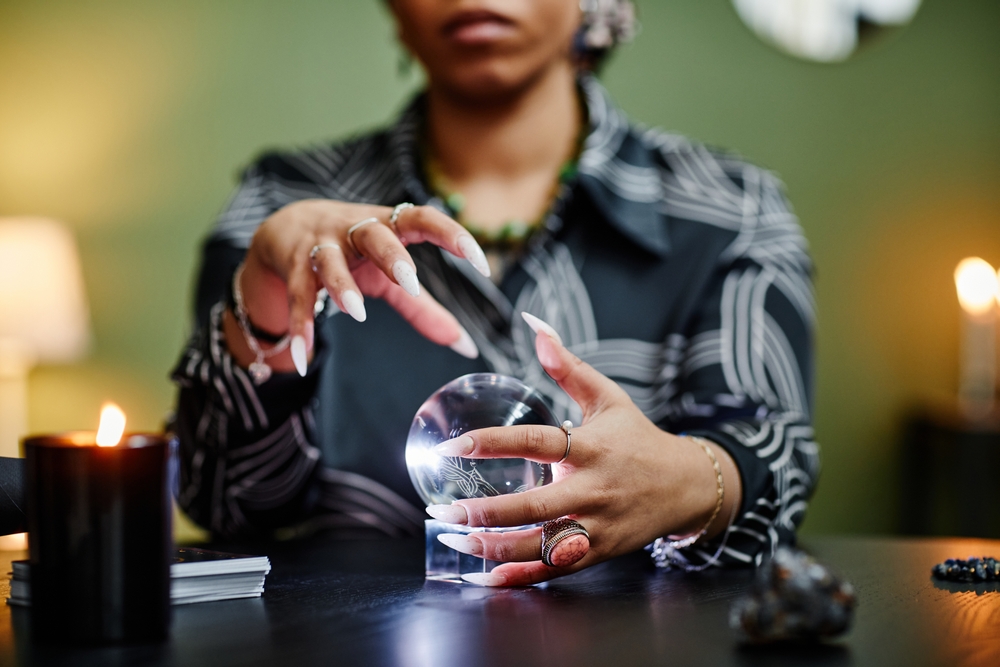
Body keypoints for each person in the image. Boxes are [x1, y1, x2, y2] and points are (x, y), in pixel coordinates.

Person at [172, 0, 818, 586]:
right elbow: (222, 503)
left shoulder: (732, 212)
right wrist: (264, 322)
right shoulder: (278, 203)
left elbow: (772, 464)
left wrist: (686, 481)